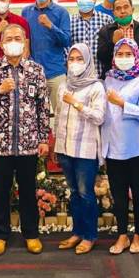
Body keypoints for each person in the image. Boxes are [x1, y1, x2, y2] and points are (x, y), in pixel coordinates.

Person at [0, 24, 50, 256]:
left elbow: (43, 107)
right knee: (1, 191)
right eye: (8, 38)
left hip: (29, 143)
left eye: (17, 38)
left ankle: (31, 234)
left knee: (28, 190)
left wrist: (43, 138)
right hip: (0, 145)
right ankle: (0, 235)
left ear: (25, 41)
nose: (13, 42)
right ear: (1, 44)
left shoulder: (35, 70)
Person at [102, 38, 139, 255]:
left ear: (136, 56)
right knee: (118, 193)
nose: (123, 58)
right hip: (113, 145)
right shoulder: (109, 78)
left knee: (138, 192)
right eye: (120, 54)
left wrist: (122, 103)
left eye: (128, 54)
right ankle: (122, 234)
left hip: (136, 146)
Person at [55, 43, 106, 255]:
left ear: (88, 62)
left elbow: (99, 117)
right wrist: (56, 145)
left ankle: (89, 236)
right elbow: (58, 116)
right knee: (74, 193)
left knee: (86, 193)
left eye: (79, 59)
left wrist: (76, 103)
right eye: (71, 59)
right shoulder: (63, 85)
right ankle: (77, 232)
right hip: (65, 148)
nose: (75, 63)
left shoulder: (96, 87)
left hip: (85, 148)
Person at [22, 0, 72, 119]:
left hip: (56, 72)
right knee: (31, 115)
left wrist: (51, 26)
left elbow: (66, 41)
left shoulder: (61, 12)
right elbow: (25, 39)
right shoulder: (26, 12)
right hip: (32, 72)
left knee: (61, 115)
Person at [97, 0, 139, 77]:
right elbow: (102, 58)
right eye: (118, 8)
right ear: (114, 13)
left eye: (126, 7)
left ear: (132, 9)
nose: (122, 11)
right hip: (114, 77)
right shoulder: (106, 31)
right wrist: (113, 43)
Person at [70, 0, 114, 77]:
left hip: (102, 75)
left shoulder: (107, 20)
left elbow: (112, 48)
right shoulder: (70, 21)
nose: (86, 0)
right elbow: (66, 49)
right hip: (77, 77)